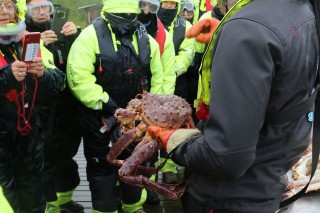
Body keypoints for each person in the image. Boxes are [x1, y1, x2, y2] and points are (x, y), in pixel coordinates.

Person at [147, 0, 319, 212]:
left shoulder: (249, 29)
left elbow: (225, 156)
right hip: (271, 175)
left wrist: (177, 142)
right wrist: (228, 39)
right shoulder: (300, 8)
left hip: (230, 196)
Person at [66, 0, 163, 212]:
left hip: (139, 120)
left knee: (135, 164)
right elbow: (78, 78)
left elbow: (159, 77)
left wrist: (150, 109)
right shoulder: (89, 37)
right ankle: (106, 209)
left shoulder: (146, 40)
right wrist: (108, 104)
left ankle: (133, 207)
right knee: (102, 169)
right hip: (100, 118)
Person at [0, 0, 65, 212]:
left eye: (8, 5)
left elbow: (59, 81)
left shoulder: (29, 39)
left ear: (16, 10)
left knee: (33, 198)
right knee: (7, 200)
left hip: (29, 136)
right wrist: (5, 77)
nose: (3, 11)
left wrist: (43, 74)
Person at [25, 1, 83, 212]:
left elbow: (80, 60)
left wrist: (77, 34)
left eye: (46, 8)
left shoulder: (60, 28)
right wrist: (36, 42)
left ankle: (64, 199)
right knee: (43, 161)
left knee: (66, 157)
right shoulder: (18, 35)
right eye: (35, 9)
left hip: (68, 107)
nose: (42, 14)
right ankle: (49, 205)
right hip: (38, 110)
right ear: (26, 12)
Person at [137, 0, 176, 205]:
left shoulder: (163, 35)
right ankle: (123, 188)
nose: (146, 11)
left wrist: (162, 103)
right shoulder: (122, 29)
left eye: (151, 7)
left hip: (155, 100)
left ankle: (149, 186)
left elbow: (168, 73)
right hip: (129, 98)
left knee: (150, 146)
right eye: (142, 5)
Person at [157, 0, 195, 184]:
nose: (168, 8)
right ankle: (146, 170)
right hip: (153, 84)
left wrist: (170, 71)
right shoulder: (148, 22)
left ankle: (169, 167)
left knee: (172, 128)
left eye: (172, 5)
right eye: (165, 4)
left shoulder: (185, 25)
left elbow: (187, 53)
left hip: (177, 84)